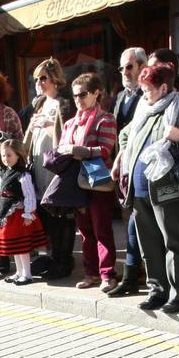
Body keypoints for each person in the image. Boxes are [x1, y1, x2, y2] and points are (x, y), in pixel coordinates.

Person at [116, 62, 179, 312]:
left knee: (174, 242)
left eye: (148, 89)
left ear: (163, 87)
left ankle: (178, 294)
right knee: (148, 243)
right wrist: (124, 153)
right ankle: (157, 290)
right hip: (140, 189)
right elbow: (125, 135)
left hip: (169, 188)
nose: (144, 94)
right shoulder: (143, 108)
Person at [51, 73, 119, 290]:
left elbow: (106, 150)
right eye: (75, 95)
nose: (78, 99)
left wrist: (77, 151)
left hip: (98, 181)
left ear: (96, 93)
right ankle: (91, 274)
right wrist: (70, 152)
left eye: (83, 94)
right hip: (75, 182)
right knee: (86, 231)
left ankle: (108, 274)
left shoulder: (106, 118)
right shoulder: (71, 123)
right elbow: (62, 149)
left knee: (102, 229)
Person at [23, 58, 75, 280]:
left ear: (55, 78)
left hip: (57, 168)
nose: (39, 83)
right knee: (46, 216)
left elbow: (67, 134)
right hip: (38, 167)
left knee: (62, 216)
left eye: (43, 78)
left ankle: (64, 260)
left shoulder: (63, 102)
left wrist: (48, 125)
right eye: (36, 79)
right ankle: (54, 257)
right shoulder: (39, 103)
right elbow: (29, 136)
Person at [108, 47, 148, 295]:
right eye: (121, 67)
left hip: (143, 166)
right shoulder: (121, 96)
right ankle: (136, 270)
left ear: (143, 67)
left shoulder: (151, 92)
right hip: (123, 167)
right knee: (128, 219)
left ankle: (149, 270)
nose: (124, 72)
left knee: (143, 220)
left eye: (129, 66)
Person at [0, 138, 44, 285]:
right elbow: (0, 195)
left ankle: (27, 274)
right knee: (14, 246)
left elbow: (29, 195)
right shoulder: (2, 174)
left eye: (9, 155)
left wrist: (28, 213)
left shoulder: (23, 174)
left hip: (19, 215)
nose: (6, 159)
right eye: (3, 155)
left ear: (18, 155)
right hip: (6, 214)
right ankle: (19, 272)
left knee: (22, 247)